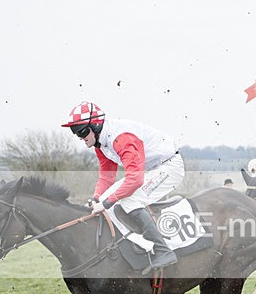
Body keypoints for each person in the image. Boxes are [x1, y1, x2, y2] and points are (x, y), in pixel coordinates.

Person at [61, 101, 184, 271]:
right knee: (105, 200)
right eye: (76, 133)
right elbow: (107, 177)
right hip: (150, 169)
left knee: (129, 200)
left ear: (96, 125)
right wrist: (96, 199)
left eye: (82, 131)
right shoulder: (100, 144)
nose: (81, 137)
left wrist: (106, 203)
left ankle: (163, 250)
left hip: (169, 167)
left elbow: (135, 180)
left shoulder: (121, 138)